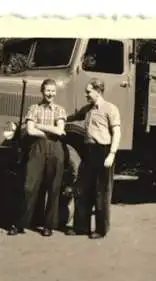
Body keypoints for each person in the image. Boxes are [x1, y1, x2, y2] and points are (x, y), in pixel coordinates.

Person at [8, 78, 67, 237]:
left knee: (53, 188)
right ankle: (20, 224)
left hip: (55, 150)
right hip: (37, 149)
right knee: (29, 186)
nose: (50, 94)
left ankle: (48, 226)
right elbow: (30, 131)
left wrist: (39, 126)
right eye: (48, 90)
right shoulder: (34, 108)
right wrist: (48, 131)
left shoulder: (60, 110)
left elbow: (60, 131)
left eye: (53, 91)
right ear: (42, 91)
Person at [66, 78, 121, 239]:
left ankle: (100, 229)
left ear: (98, 91)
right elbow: (72, 117)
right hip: (88, 152)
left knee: (101, 193)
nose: (86, 94)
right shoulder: (87, 109)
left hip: (103, 152)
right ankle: (80, 227)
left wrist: (111, 154)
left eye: (88, 91)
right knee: (82, 189)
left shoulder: (110, 109)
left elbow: (117, 132)